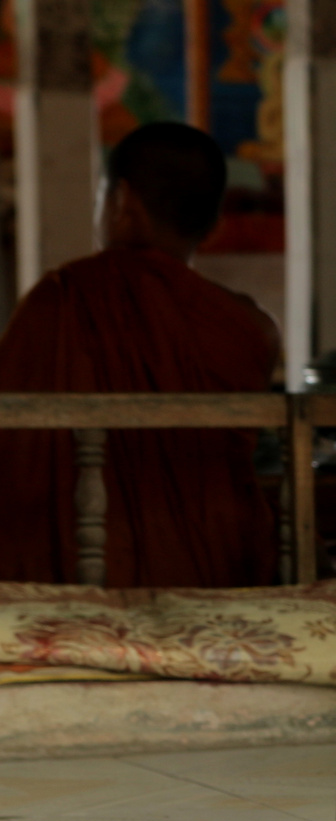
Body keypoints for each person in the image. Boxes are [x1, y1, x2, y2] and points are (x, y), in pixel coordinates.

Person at [0, 122, 280, 587]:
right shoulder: (251, 328)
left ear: (122, 201)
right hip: (218, 567)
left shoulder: (61, 299)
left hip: (75, 567)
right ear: (213, 224)